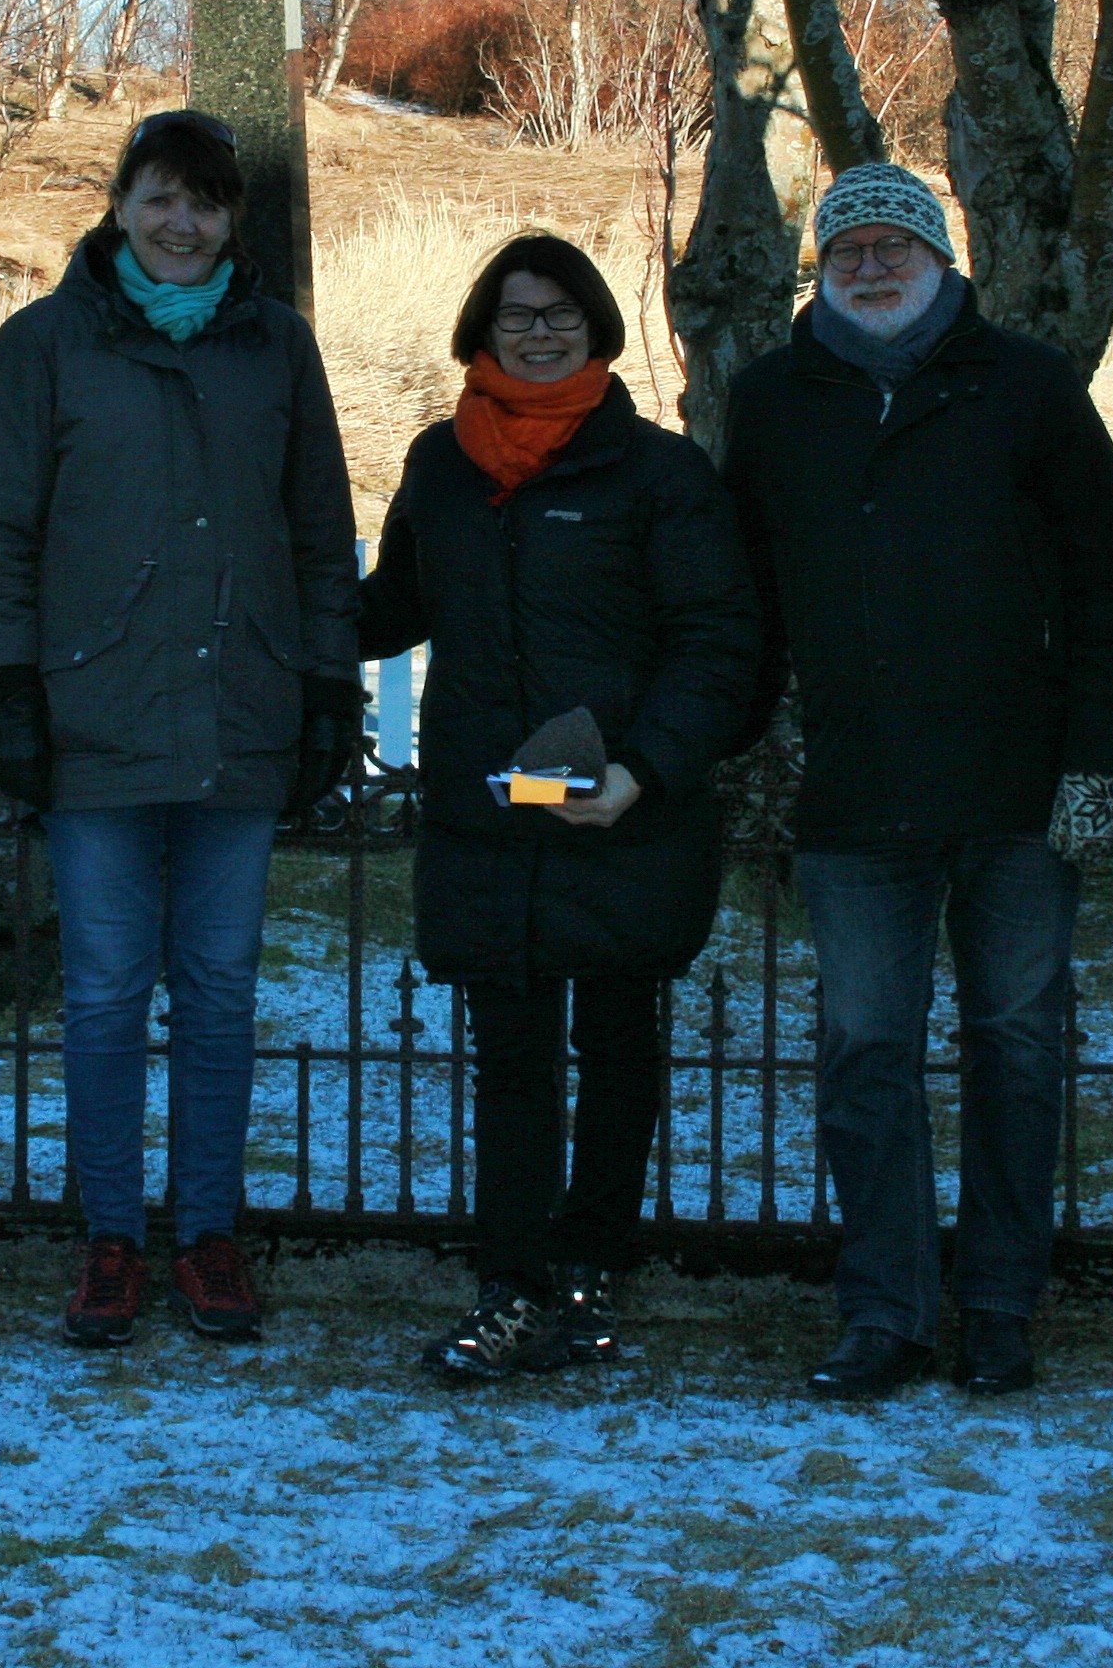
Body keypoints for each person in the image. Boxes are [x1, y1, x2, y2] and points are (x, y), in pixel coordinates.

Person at [722, 162, 1113, 1401]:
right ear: (821, 267)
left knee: (1016, 1047)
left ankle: (1003, 1301)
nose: (869, 265)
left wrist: (1100, 774)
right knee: (866, 1050)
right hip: (856, 794)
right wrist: (723, 751)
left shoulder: (1026, 387)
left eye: (892, 245)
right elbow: (742, 602)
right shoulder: (772, 400)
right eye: (845, 246)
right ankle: (885, 1311)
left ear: (940, 259)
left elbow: (1109, 590)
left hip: (1021, 789)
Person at [0, 109, 360, 1349]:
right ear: (121, 204)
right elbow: (4, 535)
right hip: (94, 717)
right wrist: (13, 691)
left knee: (220, 991)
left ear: (233, 218)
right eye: (160, 198)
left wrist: (329, 687)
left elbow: (317, 529)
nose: (182, 223)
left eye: (205, 202)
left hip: (239, 708)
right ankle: (110, 1241)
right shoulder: (44, 346)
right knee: (99, 996)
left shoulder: (277, 347)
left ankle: (207, 1236)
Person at [356, 234, 762, 1383]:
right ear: (481, 333)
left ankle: (589, 1275)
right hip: (491, 817)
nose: (538, 332)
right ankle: (511, 1283)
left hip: (623, 808)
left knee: (620, 1048)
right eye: (516, 315)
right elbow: (396, 604)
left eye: (560, 313)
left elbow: (718, 642)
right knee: (512, 1062)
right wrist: (280, 598)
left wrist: (646, 770)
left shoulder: (659, 474)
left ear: (596, 326)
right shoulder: (442, 463)